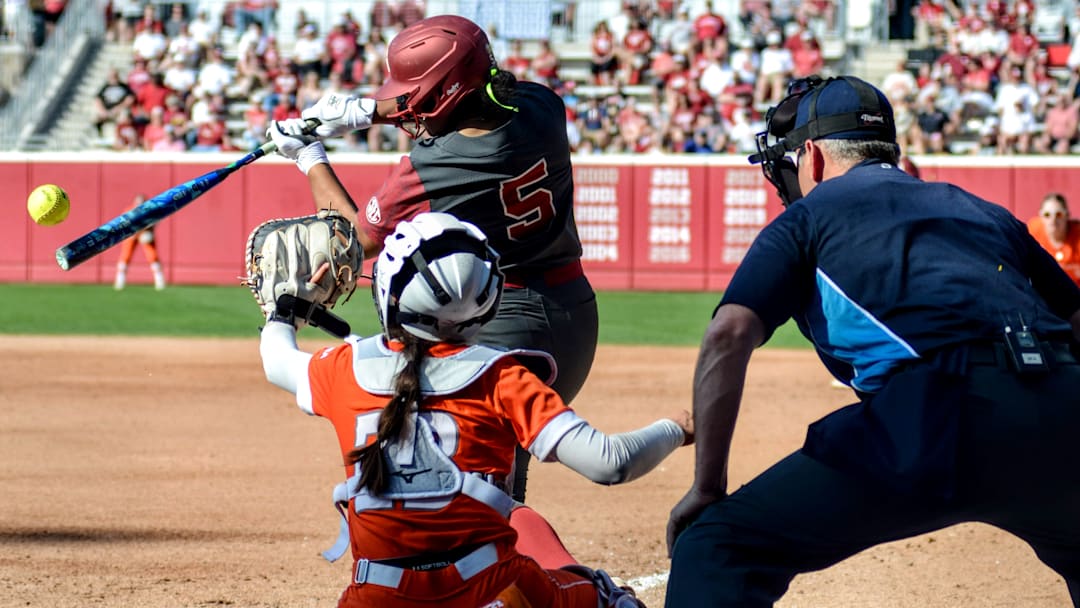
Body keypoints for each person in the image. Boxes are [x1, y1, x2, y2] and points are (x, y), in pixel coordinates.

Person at [665, 75, 1080, 607]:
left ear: (812, 156)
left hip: (936, 414)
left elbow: (728, 334)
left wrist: (707, 487)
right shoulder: (984, 209)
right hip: (1063, 402)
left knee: (717, 547)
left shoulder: (809, 216)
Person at [258, 212, 692, 607]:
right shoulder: (501, 377)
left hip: (378, 595)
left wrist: (285, 310)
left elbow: (277, 361)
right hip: (494, 589)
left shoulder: (344, 369)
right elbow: (610, 463)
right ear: (486, 302)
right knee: (586, 582)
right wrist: (679, 427)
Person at [265, 14, 599, 505]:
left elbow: (355, 239)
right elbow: (462, 96)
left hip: (501, 321)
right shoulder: (542, 106)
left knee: (470, 487)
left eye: (415, 97)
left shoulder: (432, 165)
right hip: (571, 310)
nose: (411, 111)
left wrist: (310, 157)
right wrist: (366, 111)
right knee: (497, 475)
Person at [114, 194, 166, 291]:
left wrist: (150, 232)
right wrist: (130, 232)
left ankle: (159, 280)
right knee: (126, 255)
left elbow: (155, 221)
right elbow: (124, 224)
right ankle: (120, 280)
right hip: (132, 234)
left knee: (152, 255)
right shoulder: (129, 210)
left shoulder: (150, 211)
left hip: (145, 233)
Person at [1028, 192, 1080, 287]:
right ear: (1041, 216)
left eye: (1058, 214)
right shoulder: (1033, 232)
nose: (1053, 220)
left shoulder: (1078, 236)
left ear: (1067, 215)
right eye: (1047, 215)